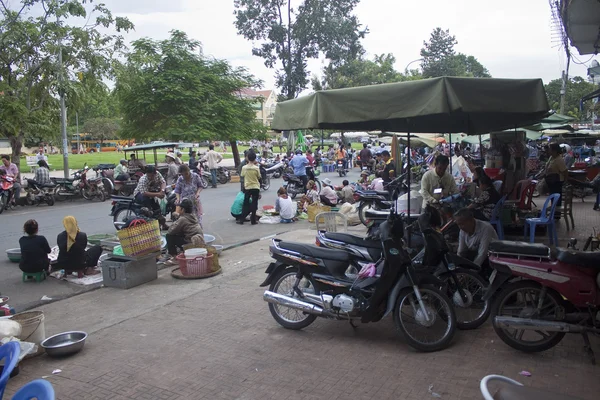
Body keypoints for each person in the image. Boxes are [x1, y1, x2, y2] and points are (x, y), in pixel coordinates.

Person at [163, 198, 204, 266]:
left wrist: (177, 219)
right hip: (198, 241)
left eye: (180, 208)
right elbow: (186, 219)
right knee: (181, 232)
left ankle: (175, 258)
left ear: (183, 209)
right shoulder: (194, 216)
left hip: (190, 244)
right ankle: (181, 252)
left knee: (169, 236)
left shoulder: (182, 219)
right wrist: (178, 216)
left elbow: (171, 231)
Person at [133, 165, 168, 230]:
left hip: (152, 192)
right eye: (149, 176)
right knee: (147, 207)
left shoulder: (158, 174)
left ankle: (162, 223)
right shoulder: (143, 179)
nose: (150, 177)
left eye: (152, 176)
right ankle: (149, 222)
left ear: (155, 174)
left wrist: (162, 191)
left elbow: (163, 182)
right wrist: (157, 194)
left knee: (157, 207)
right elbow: (144, 193)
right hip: (140, 193)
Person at [543, 143, 568, 219]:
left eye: (550, 149)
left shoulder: (559, 160)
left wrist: (565, 181)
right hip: (551, 182)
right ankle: (553, 213)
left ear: (555, 150)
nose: (549, 150)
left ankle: (557, 215)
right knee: (552, 198)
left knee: (557, 199)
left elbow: (565, 171)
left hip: (557, 182)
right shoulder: (551, 157)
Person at [238, 151, 261, 225]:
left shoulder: (244, 168)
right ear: (255, 159)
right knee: (254, 203)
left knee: (246, 203)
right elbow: (259, 177)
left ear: (247, 158)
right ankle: (253, 220)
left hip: (247, 187)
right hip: (255, 187)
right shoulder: (256, 168)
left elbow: (242, 175)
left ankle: (242, 219)